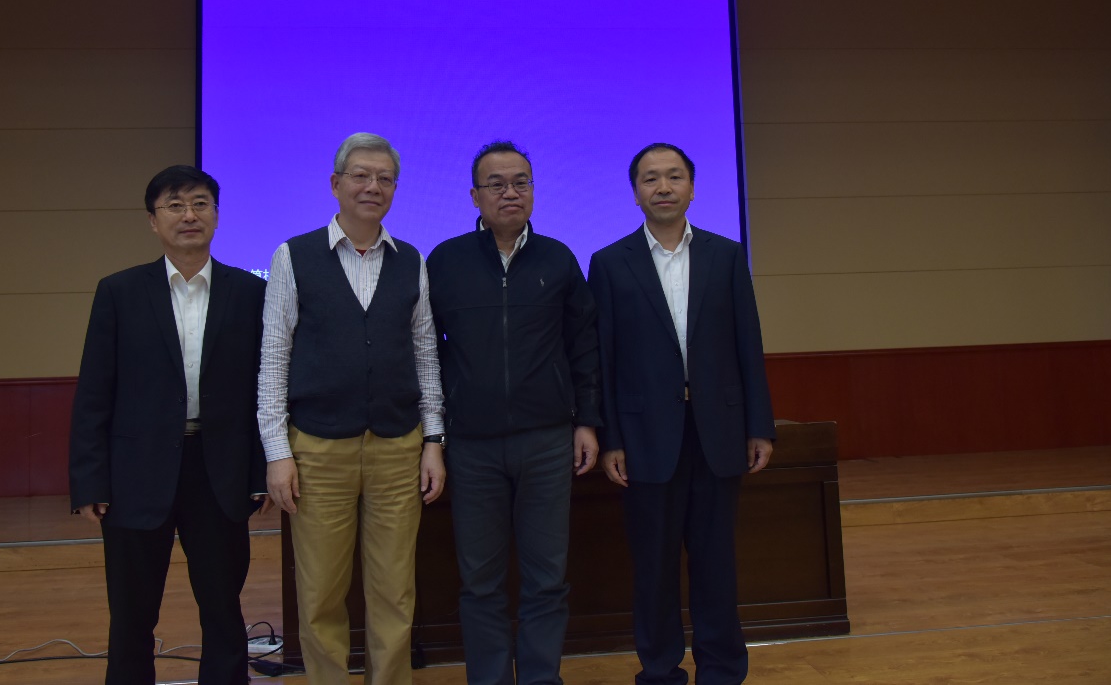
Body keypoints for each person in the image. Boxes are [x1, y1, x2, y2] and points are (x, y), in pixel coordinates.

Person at [69, 165, 269, 685]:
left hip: (219, 471)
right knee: (132, 613)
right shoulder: (119, 291)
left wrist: (259, 472)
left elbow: (263, 389)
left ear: (217, 216)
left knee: (223, 608)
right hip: (135, 473)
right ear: (152, 221)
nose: (189, 215)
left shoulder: (250, 292)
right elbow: (94, 392)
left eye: (200, 203)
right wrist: (90, 480)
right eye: (174, 205)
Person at [258, 132, 446, 685]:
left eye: (385, 178)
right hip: (317, 449)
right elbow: (275, 357)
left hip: (398, 446)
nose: (373, 187)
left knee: (394, 590)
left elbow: (425, 355)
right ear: (336, 184)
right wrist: (277, 452)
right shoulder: (292, 256)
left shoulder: (411, 260)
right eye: (361, 175)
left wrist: (433, 440)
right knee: (320, 593)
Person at [588, 143, 776, 685]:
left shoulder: (725, 255)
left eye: (674, 177)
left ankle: (722, 670)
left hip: (718, 432)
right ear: (635, 193)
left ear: (692, 188)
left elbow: (748, 345)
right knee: (654, 565)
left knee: (716, 563)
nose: (663, 187)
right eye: (651, 178)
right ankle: (660, 670)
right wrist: (611, 437)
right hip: (644, 437)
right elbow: (604, 359)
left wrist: (759, 426)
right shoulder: (609, 263)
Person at [426, 141, 601, 685]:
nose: (510, 193)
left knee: (547, 578)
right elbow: (425, 352)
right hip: (471, 445)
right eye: (496, 184)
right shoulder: (445, 261)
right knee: (480, 582)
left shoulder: (558, 259)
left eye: (521, 182)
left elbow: (584, 347)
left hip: (547, 441)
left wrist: (587, 420)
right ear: (474, 196)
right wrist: (435, 434)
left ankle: (542, 677)